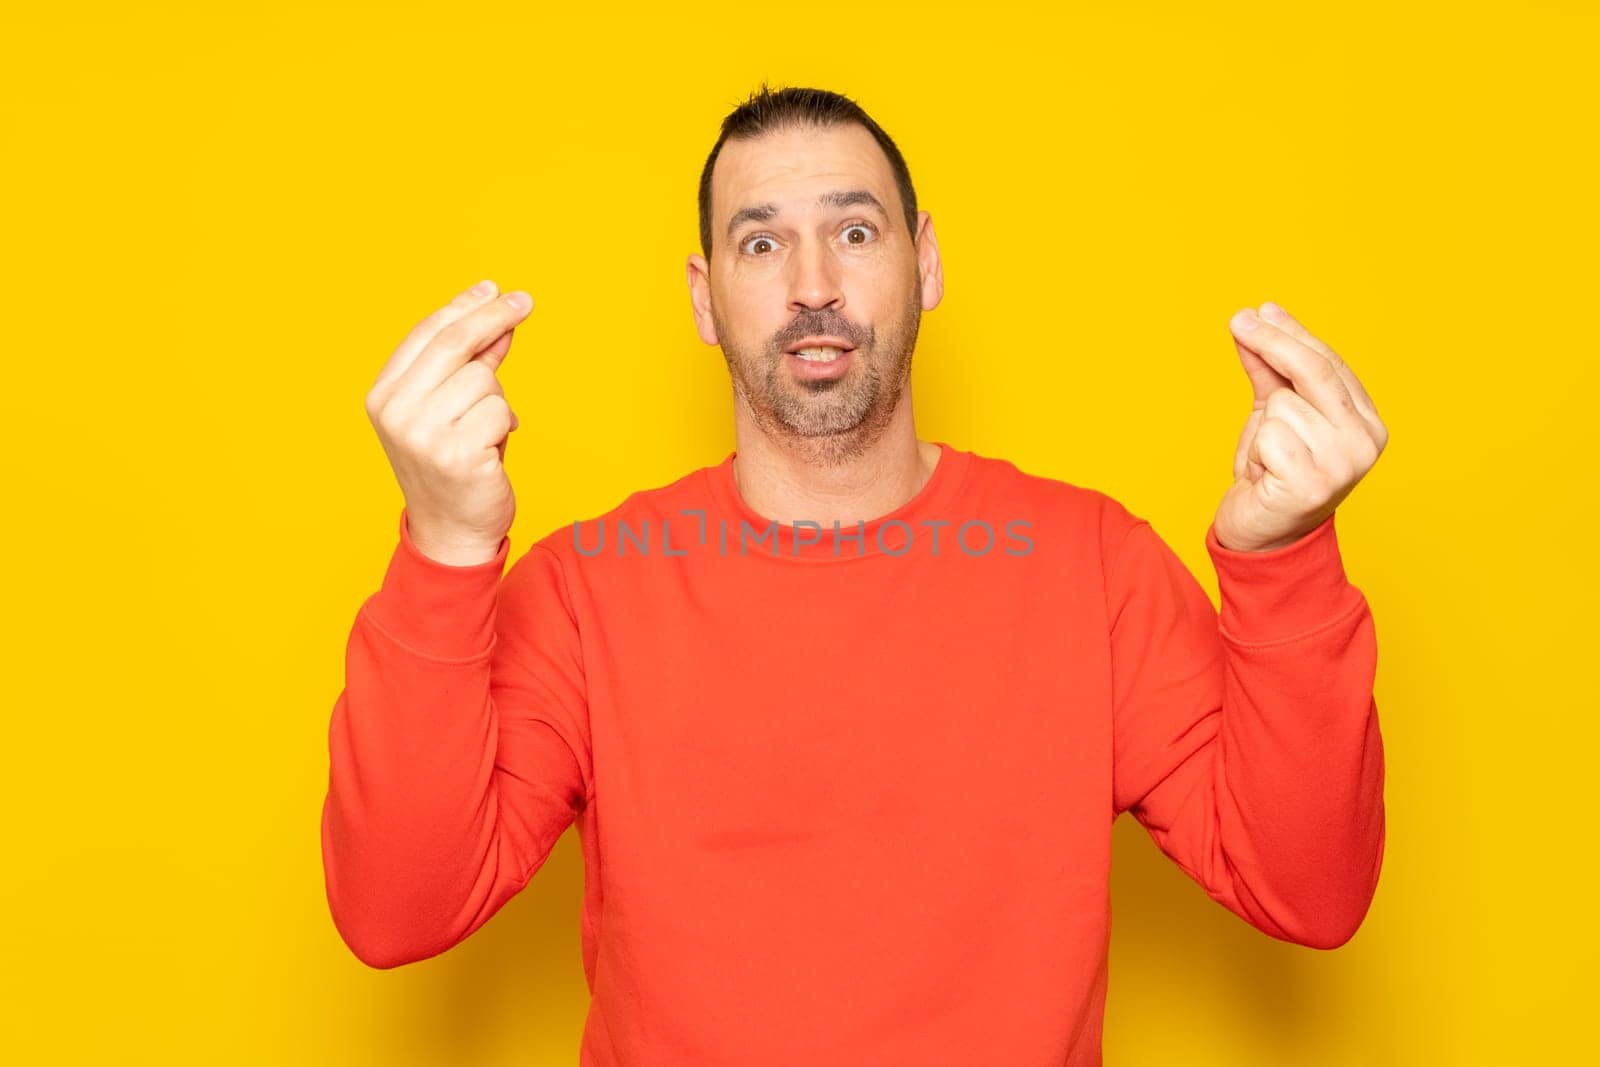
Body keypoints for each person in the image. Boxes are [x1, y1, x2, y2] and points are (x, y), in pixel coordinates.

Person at [320, 84, 1389, 1066]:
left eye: (854, 231)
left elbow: (1306, 889)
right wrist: (445, 546)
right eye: (760, 243)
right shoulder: (588, 591)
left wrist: (1279, 560)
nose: (813, 286)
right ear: (703, 297)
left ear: (923, 261)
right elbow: (397, 908)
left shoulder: (1091, 564)